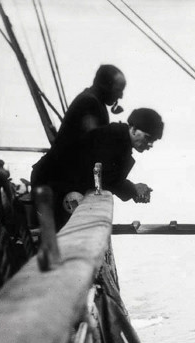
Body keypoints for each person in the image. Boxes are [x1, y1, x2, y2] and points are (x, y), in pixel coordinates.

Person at [31, 64, 127, 228]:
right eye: (119, 90)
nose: (121, 95)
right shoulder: (89, 104)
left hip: (54, 181)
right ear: (105, 86)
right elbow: (94, 150)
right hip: (55, 185)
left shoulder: (93, 101)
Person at [68, 107, 162, 207]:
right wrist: (134, 189)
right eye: (147, 138)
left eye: (153, 140)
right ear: (133, 129)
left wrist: (134, 190)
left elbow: (110, 180)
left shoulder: (119, 137)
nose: (150, 144)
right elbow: (107, 181)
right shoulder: (114, 138)